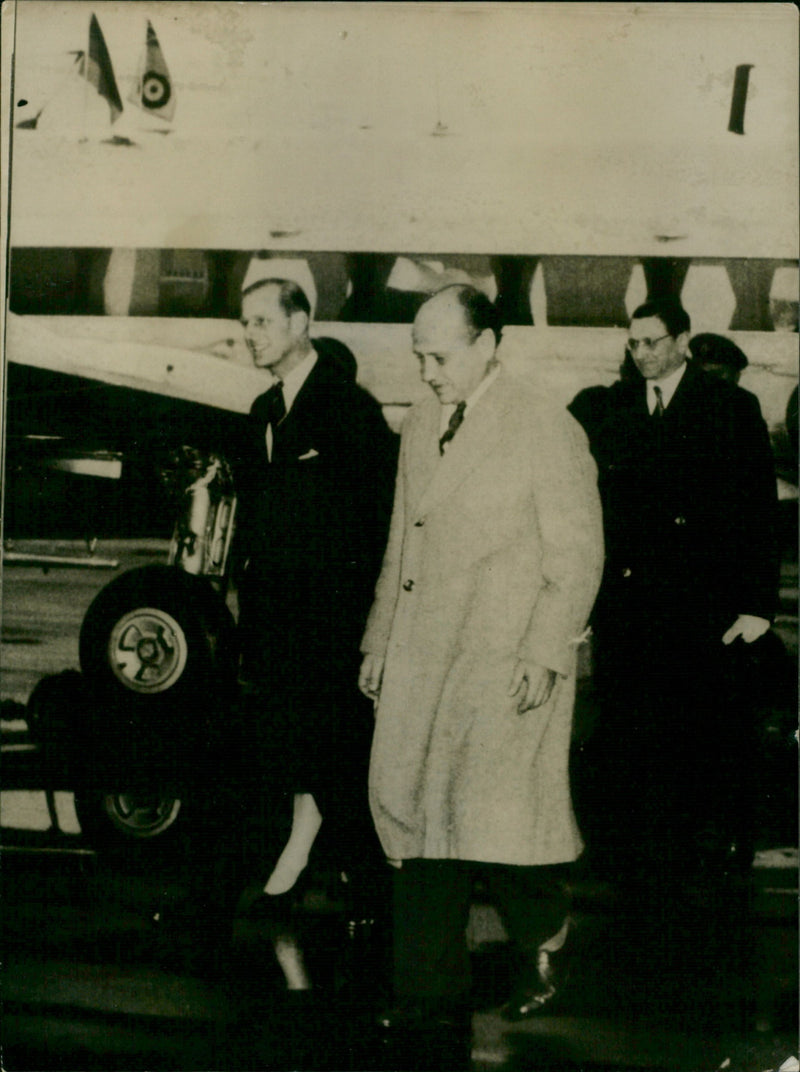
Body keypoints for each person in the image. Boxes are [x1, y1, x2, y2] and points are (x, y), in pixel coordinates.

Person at [358, 285, 604, 1046]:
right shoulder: (422, 422)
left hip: (504, 657)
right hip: (426, 651)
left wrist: (544, 651)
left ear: (488, 343)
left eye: (440, 355)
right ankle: (430, 993)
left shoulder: (545, 427)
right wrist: (379, 638)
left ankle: (547, 929)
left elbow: (578, 553)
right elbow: (404, 539)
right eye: (418, 355)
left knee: (493, 825)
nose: (426, 372)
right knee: (415, 810)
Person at [569, 297, 779, 880]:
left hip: (699, 604)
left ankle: (690, 864)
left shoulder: (730, 407)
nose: (641, 354)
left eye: (653, 342)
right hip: (629, 603)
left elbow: (758, 510)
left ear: (682, 341)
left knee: (693, 730)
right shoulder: (615, 408)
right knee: (628, 726)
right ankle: (632, 862)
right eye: (633, 343)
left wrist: (757, 606)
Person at [232, 276, 397, 980]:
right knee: (300, 748)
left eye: (265, 321)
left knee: (336, 752)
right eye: (247, 323)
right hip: (276, 621)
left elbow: (373, 521)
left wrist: (366, 626)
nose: (253, 334)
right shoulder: (262, 409)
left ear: (303, 322)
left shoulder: (349, 409)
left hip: (330, 622)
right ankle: (306, 865)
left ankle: (377, 889)